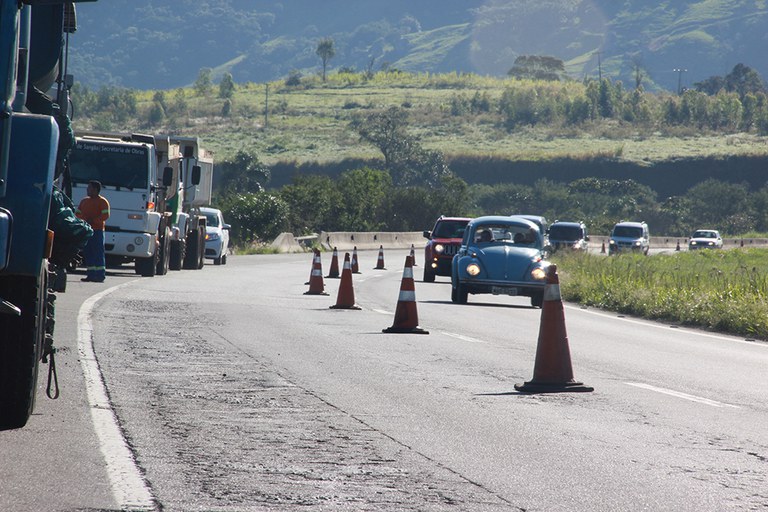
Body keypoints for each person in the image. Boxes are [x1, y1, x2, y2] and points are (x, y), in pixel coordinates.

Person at [76, 180, 110, 282]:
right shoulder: (84, 201)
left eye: (89, 188)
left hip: (97, 231)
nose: (87, 190)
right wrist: (85, 219)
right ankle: (90, 274)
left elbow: (105, 215)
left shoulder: (103, 202)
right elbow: (77, 213)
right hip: (86, 230)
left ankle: (100, 275)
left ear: (95, 190)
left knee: (98, 252)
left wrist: (94, 220)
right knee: (88, 252)